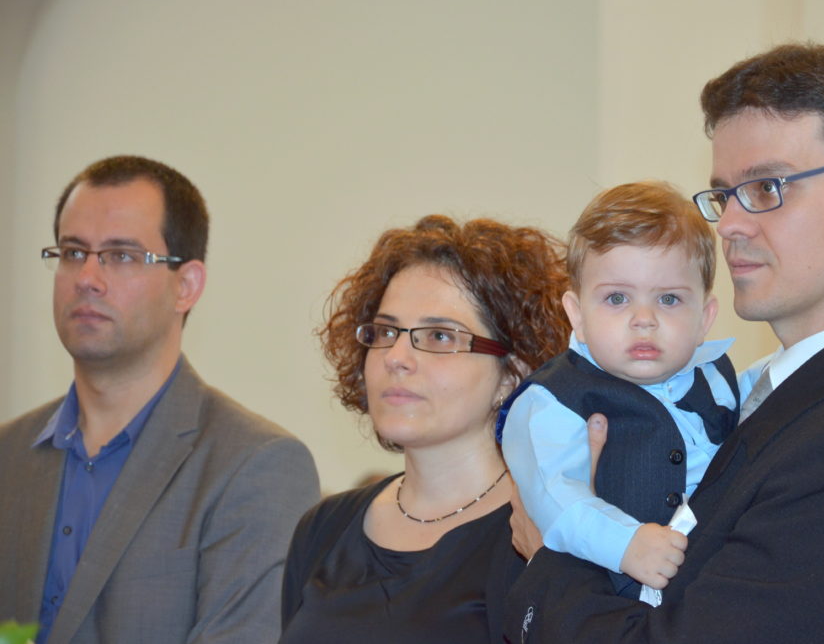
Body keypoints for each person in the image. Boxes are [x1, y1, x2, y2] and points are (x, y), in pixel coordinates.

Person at [503, 43, 824, 643]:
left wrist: (549, 563)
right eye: (724, 195)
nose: (728, 224)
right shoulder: (770, 395)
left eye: (767, 187)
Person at [0, 155, 320, 644]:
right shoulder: (8, 453)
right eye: (72, 252)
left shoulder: (255, 466)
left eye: (121, 255)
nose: (87, 277)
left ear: (185, 286)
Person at [279, 215, 571, 643]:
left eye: (439, 336)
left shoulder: (538, 531)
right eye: (385, 331)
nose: (396, 357)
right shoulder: (324, 526)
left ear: (512, 375)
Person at [499, 181, 744, 600]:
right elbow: (552, 495)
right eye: (617, 299)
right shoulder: (552, 400)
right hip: (610, 602)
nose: (643, 319)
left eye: (668, 299)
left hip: (718, 589)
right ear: (577, 314)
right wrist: (624, 543)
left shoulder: (716, 376)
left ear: (705, 317)